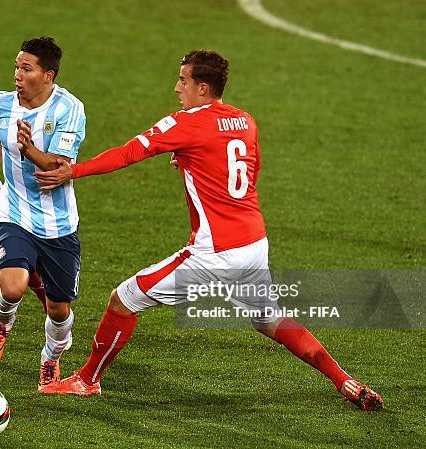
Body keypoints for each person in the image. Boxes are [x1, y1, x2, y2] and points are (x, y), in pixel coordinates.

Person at [34, 50, 383, 411]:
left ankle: (87, 381)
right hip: (254, 243)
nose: (176, 88)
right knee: (270, 319)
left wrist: (72, 171)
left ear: (202, 87)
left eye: (183, 80)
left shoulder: (185, 123)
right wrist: (194, 160)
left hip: (215, 252)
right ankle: (346, 382)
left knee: (123, 300)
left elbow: (129, 153)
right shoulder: (245, 121)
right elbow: (249, 168)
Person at [0, 37, 86, 392]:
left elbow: (58, 166)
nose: (17, 75)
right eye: (16, 66)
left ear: (48, 75)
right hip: (15, 212)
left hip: (58, 223)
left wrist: (29, 149)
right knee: (13, 285)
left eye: (26, 69)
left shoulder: (69, 109)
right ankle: (2, 322)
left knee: (58, 310)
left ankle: (51, 359)